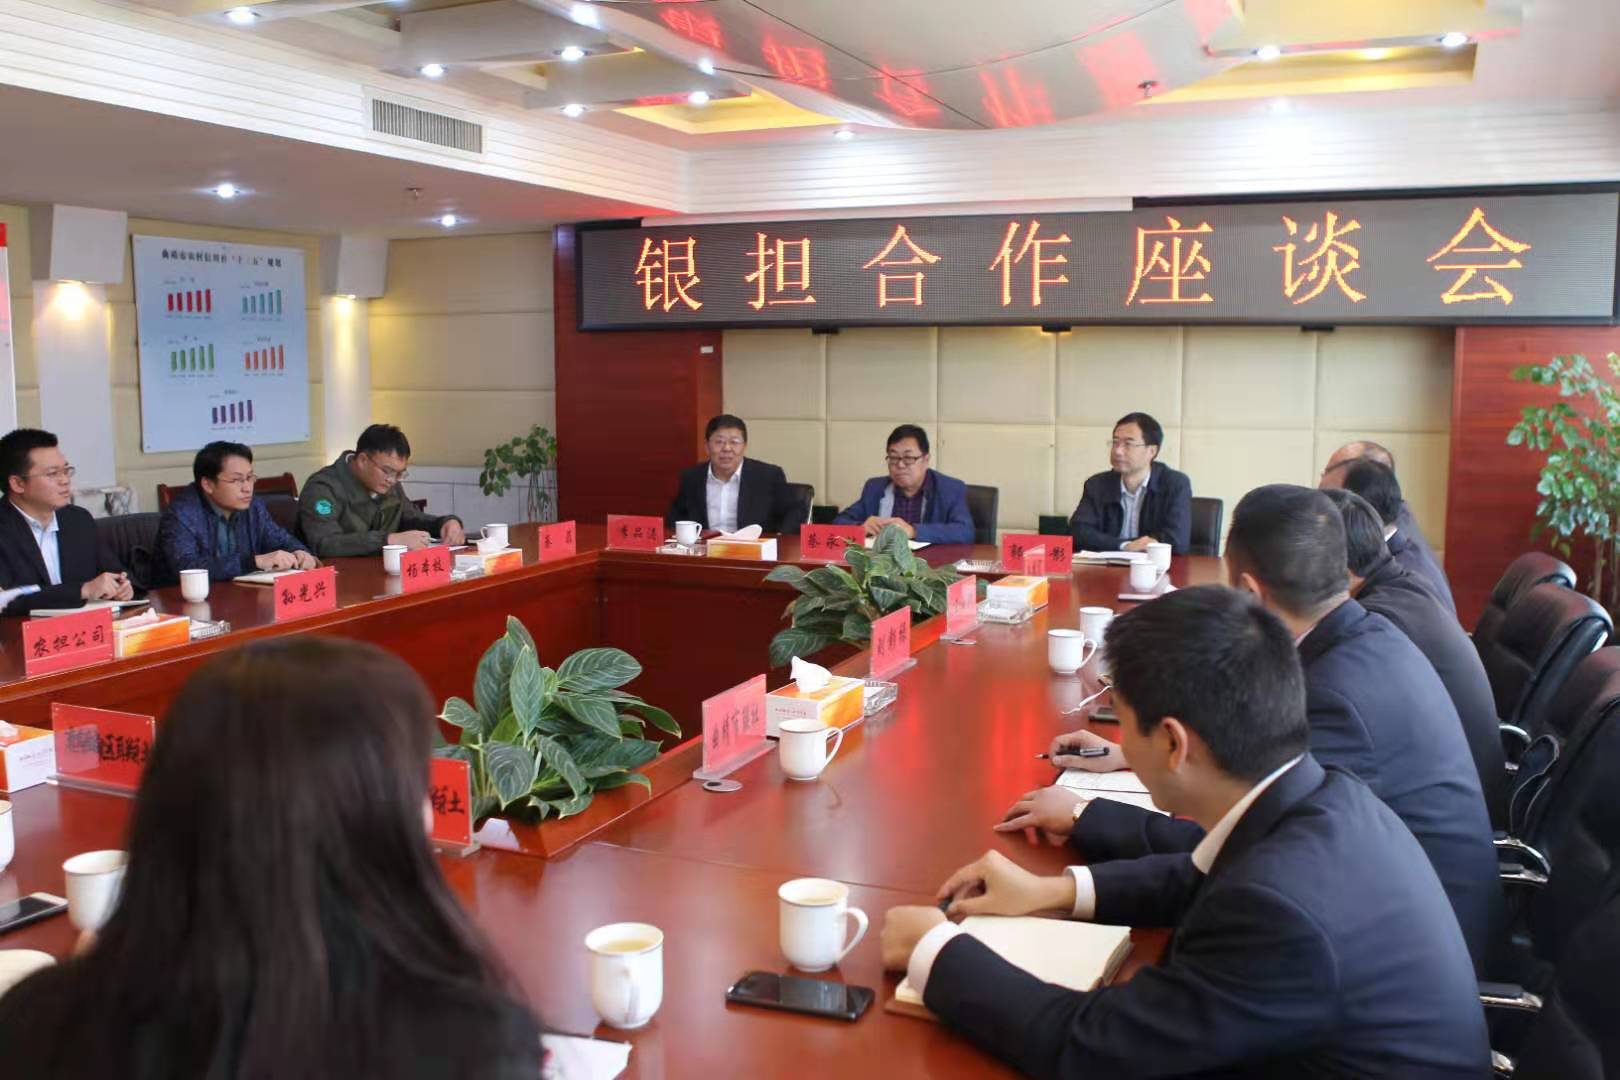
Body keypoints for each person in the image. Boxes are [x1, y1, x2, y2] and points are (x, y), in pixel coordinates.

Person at [880, 587, 1489, 1077]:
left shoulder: (1279, 912)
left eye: (1124, 725)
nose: (1121, 744)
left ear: (1173, 743)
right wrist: (1054, 891)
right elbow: (1201, 874)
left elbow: (1095, 1050)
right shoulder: (1321, 793)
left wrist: (934, 950)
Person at [0, 637, 544, 1078]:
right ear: (366, 821)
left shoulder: (33, 1021)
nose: (427, 816)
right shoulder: (469, 1046)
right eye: (416, 788)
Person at [1010, 485, 1500, 969]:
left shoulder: (1334, 696)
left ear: (1248, 593)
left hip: (1403, 950)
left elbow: (1240, 848)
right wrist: (1131, 754)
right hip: (1407, 915)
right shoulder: (1364, 637)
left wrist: (1084, 816)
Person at [1323, 487, 1508, 824]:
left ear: (1343, 568)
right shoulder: (1404, 585)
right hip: (1465, 794)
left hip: (1451, 817)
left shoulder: (1377, 623)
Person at [0, 428, 130, 616]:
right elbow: (8, 600)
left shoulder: (78, 520)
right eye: (53, 473)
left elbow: (113, 571)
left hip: (85, 628)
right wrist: (82, 590)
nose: (65, 481)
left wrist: (121, 586)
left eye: (66, 471)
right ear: (18, 484)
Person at [1320, 440, 1455, 615]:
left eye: (1329, 502)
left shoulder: (1402, 574)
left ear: (1359, 506)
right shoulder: (1392, 532)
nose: (1319, 513)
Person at [154, 441, 316, 585]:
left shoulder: (253, 506)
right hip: (182, 602)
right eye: (237, 480)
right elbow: (187, 567)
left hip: (240, 596)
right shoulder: (182, 514)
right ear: (208, 484)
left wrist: (299, 552)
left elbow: (281, 540)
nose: (247, 488)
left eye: (250, 478)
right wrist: (253, 562)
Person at [299, 424, 465, 557]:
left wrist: (444, 523)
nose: (392, 480)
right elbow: (325, 544)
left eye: (399, 474)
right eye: (387, 471)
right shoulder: (323, 488)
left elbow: (410, 518)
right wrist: (388, 541)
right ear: (363, 460)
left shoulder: (388, 484)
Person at [1068, 412, 1192, 554]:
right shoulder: (1097, 485)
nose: (1118, 451)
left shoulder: (1175, 484)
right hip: (1107, 566)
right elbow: (1078, 532)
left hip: (1155, 566)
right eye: (1115, 442)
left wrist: (1110, 543)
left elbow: (1177, 540)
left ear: (1152, 451)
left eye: (1128, 444)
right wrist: (1125, 546)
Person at [833, 424, 974, 544]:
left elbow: (965, 532)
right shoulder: (875, 488)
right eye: (894, 458)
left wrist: (913, 531)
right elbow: (838, 522)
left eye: (908, 458)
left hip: (930, 564)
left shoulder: (950, 489)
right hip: (881, 564)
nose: (900, 465)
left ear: (926, 460)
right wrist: (861, 527)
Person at [665, 414, 805, 534]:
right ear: (707, 446)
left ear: (744, 446)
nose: (727, 448)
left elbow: (795, 513)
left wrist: (777, 540)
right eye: (719, 442)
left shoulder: (768, 476)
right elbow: (675, 518)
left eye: (734, 442)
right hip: (706, 551)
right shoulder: (691, 478)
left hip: (753, 551)